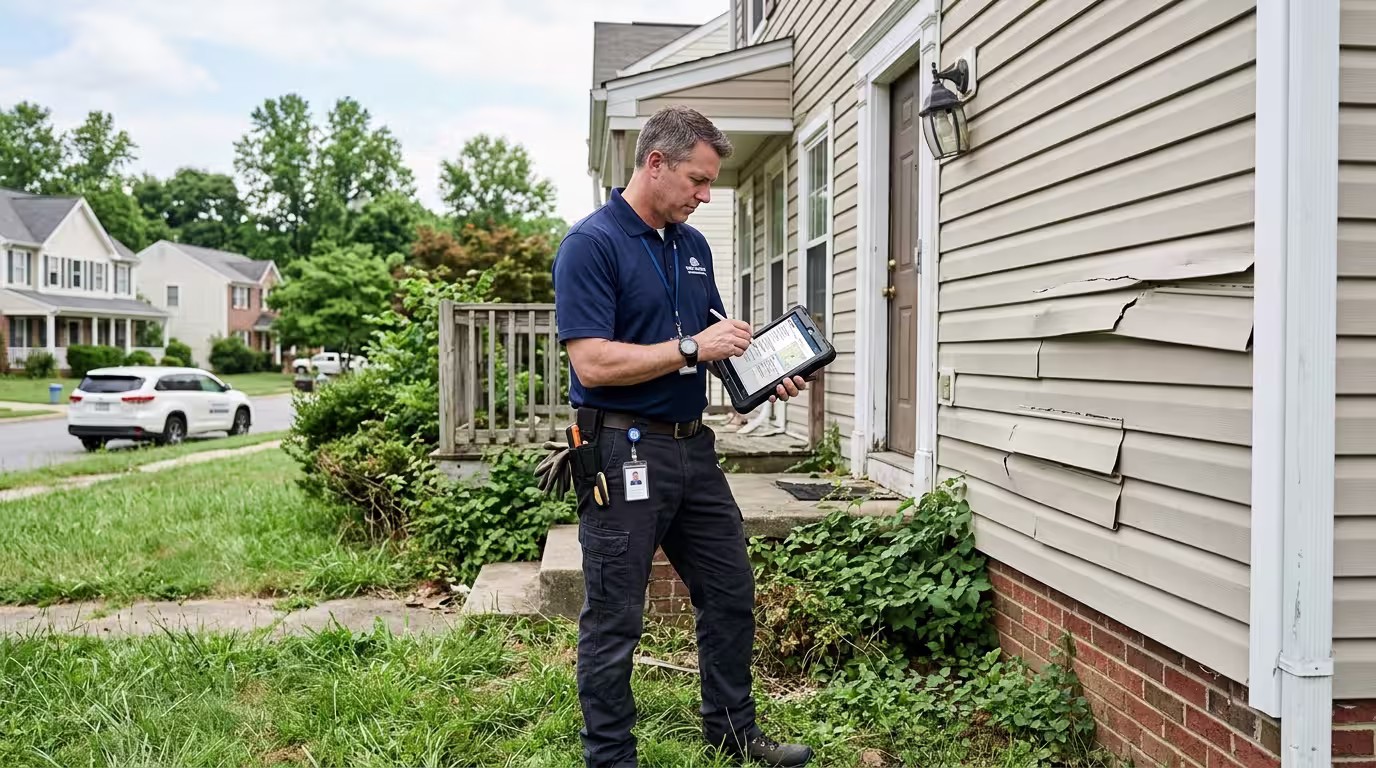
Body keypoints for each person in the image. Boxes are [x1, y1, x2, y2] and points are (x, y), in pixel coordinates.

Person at [550, 105, 814, 767]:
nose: (704, 194)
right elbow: (593, 362)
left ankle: (731, 730)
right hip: (620, 448)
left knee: (729, 591)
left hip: (692, 447)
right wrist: (695, 346)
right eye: (697, 180)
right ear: (655, 162)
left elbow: (710, 340)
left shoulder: (692, 246)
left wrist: (756, 373)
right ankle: (611, 757)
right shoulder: (593, 244)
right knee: (615, 615)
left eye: (710, 185)